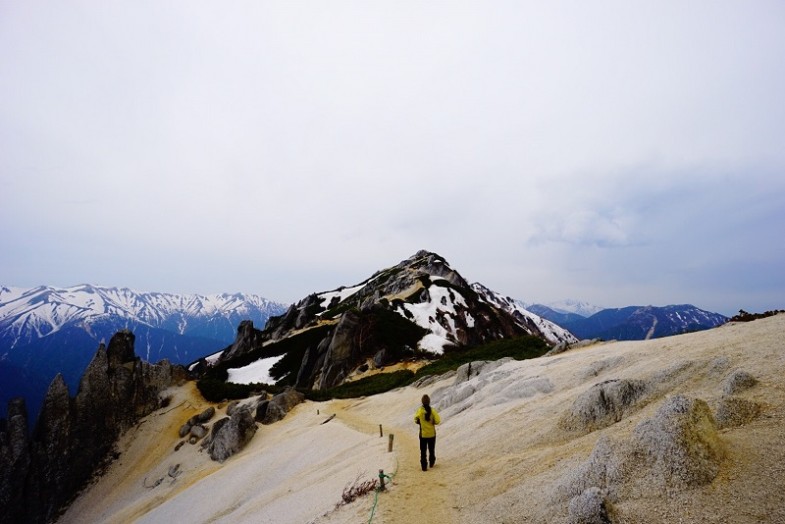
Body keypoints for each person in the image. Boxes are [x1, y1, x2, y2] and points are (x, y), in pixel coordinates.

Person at [414, 394, 441, 471]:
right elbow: (438, 421)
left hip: (423, 434)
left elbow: (415, 419)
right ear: (429, 401)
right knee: (431, 449)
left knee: (423, 451)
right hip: (432, 434)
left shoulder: (420, 410)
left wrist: (420, 422)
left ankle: (424, 467)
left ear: (422, 402)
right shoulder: (432, 410)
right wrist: (432, 422)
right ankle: (431, 463)